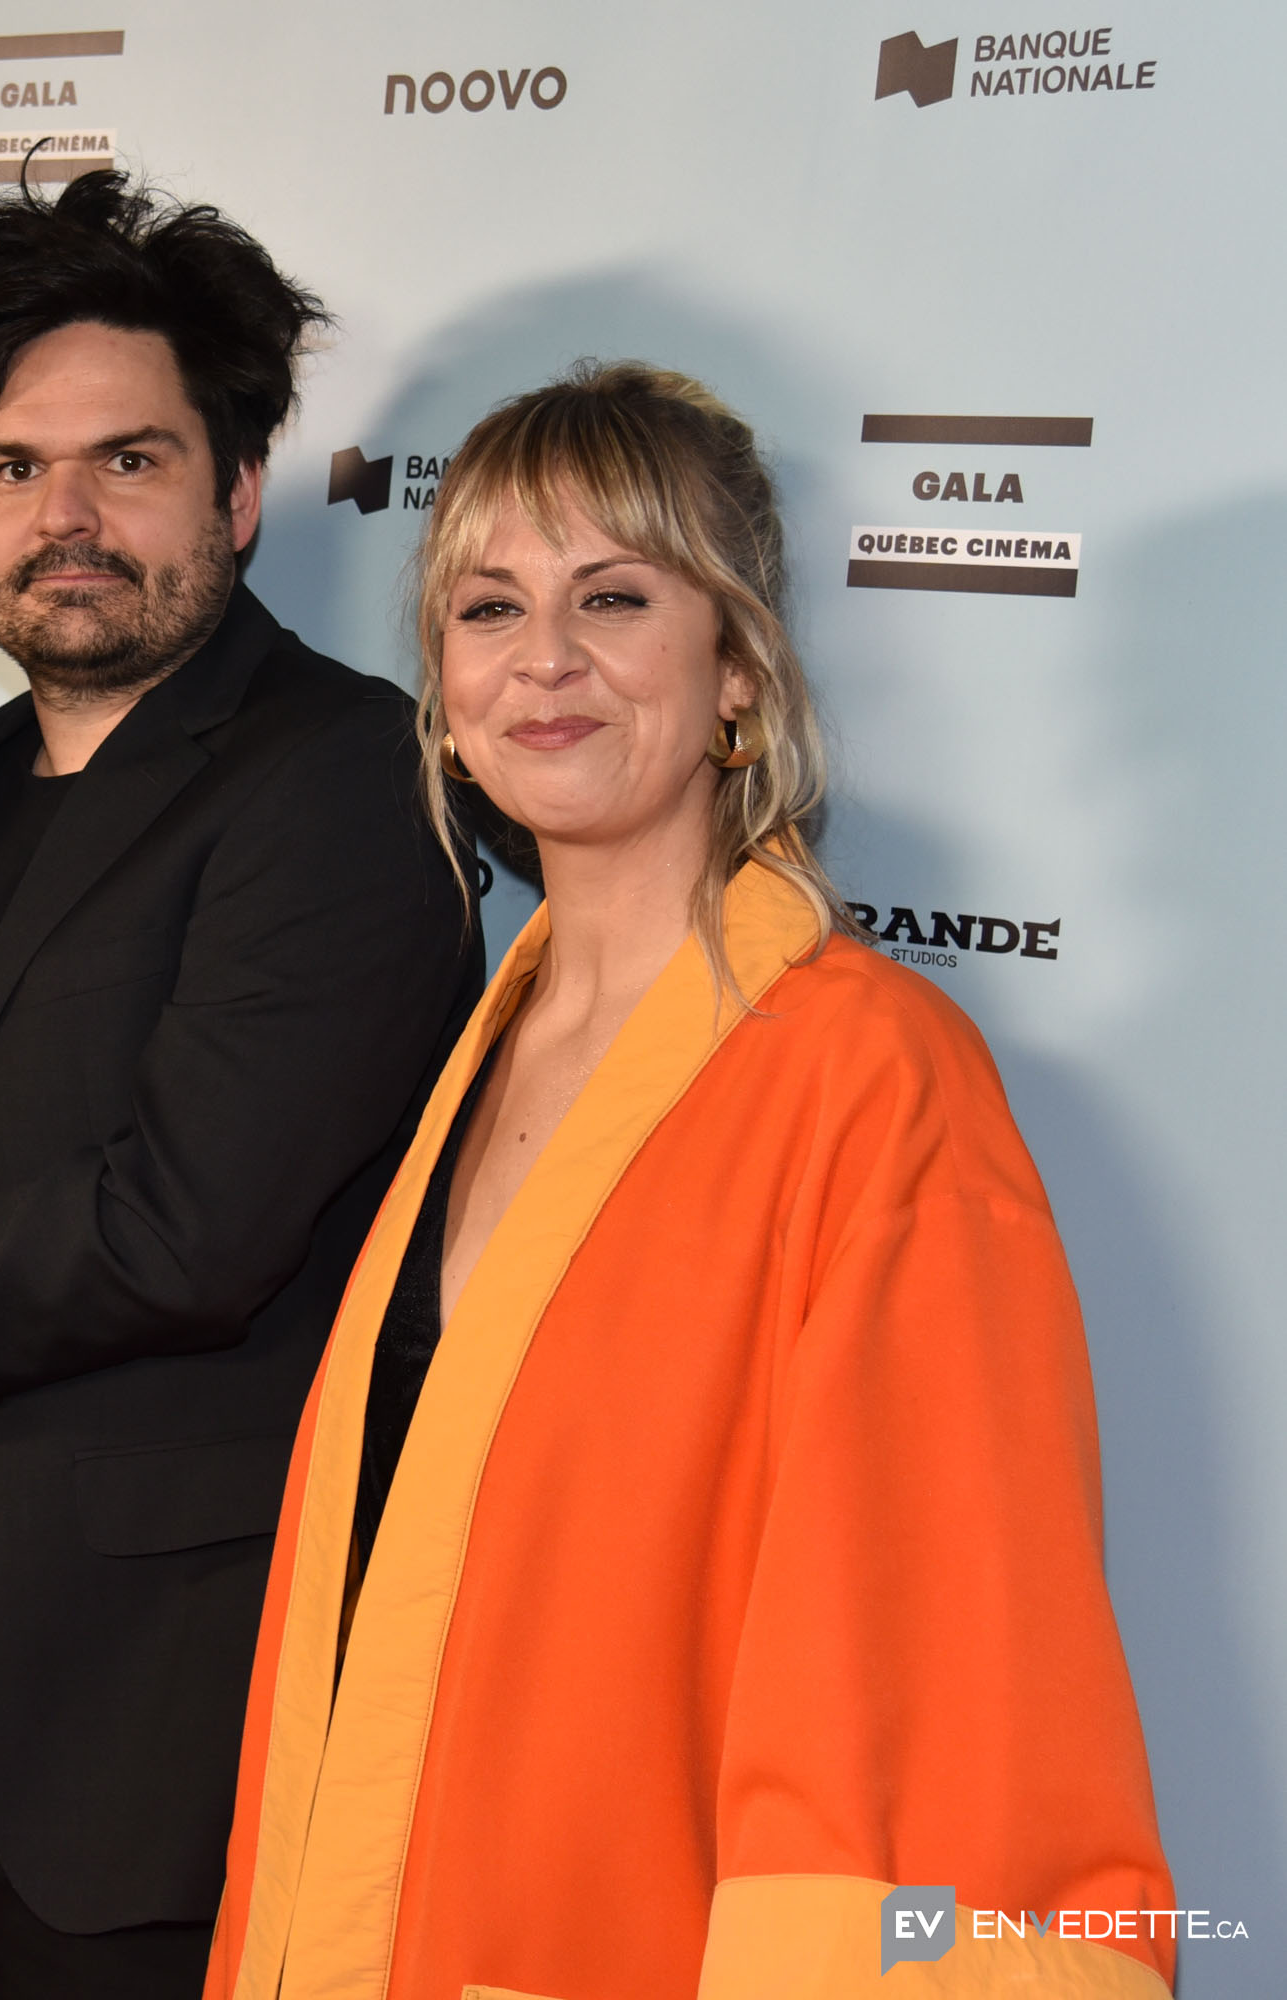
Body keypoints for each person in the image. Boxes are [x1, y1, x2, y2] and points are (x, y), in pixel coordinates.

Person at [205, 364, 1176, 1998]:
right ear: (443, 690)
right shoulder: (469, 1055)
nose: (547, 661)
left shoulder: (872, 1078)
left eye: (616, 597)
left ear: (736, 665)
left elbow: (944, 1670)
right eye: (491, 608)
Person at [0, 171, 478, 1996]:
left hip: (154, 1727)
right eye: (11, 469)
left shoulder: (345, 778)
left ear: (235, 492)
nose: (63, 518)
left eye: (127, 464)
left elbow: (191, 1224)